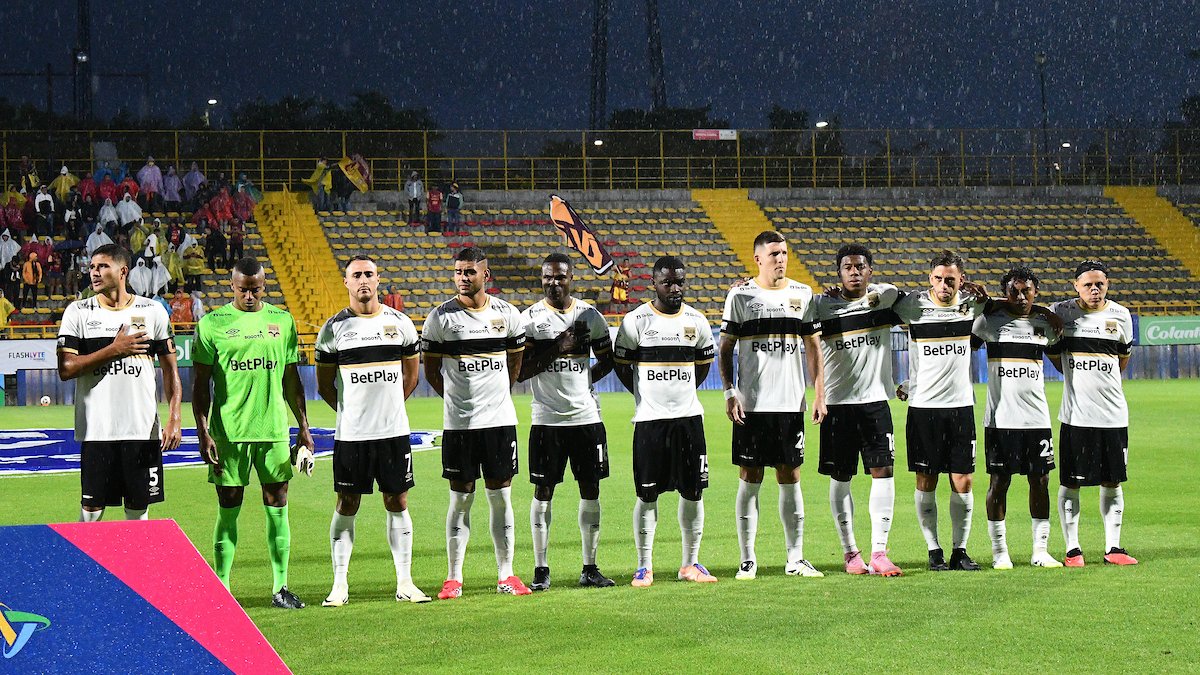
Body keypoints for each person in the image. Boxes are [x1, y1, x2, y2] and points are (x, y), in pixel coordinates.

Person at [192, 257, 315, 609]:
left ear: (264, 287)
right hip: (229, 434)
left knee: (278, 505)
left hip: (273, 430)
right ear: (232, 286)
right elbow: (200, 385)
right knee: (228, 506)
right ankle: (222, 589)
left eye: (256, 290)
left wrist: (303, 427)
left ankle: (281, 587)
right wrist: (203, 432)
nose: (249, 296)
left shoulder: (282, 321)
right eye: (243, 290)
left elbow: (292, 379)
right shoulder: (212, 324)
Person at [315, 256, 431, 606]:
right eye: (356, 275)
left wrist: (388, 409)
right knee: (347, 503)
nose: (363, 280)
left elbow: (411, 377)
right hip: (352, 436)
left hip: (393, 433)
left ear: (378, 280)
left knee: (397, 501)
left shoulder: (400, 323)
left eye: (368, 274)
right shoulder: (333, 329)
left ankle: (405, 582)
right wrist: (353, 413)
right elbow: (324, 386)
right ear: (346, 282)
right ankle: (339, 585)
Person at [421, 246, 531, 599]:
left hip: (499, 423)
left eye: (470, 271)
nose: (463, 277)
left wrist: (496, 397)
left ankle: (506, 574)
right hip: (459, 426)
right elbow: (431, 372)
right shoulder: (440, 318)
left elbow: (515, 364)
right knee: (460, 500)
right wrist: (457, 401)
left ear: (486, 275)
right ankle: (454, 578)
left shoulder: (508, 314)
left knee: (501, 498)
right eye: (458, 271)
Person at [719, 231, 826, 580]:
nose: (781, 259)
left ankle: (795, 558)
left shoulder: (802, 294)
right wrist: (729, 392)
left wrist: (819, 394)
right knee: (750, 477)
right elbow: (725, 348)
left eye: (784, 253)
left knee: (790, 476)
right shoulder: (740, 295)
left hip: (790, 404)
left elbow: (813, 348)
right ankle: (747, 559)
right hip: (751, 405)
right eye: (774, 254)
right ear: (758, 259)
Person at [56, 244, 182, 522]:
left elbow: (170, 370)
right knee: (91, 512)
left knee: (138, 512)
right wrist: (115, 349)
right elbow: (66, 368)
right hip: (97, 430)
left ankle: (137, 555)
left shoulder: (152, 311)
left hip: (141, 430)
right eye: (92, 267)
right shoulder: (78, 312)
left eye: (102, 266)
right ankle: (86, 555)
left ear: (123, 271)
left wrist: (175, 416)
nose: (94, 272)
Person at [614, 256, 717, 587]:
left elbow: (702, 366)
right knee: (647, 496)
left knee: (694, 492)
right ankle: (644, 566)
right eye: (667, 282)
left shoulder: (697, 321)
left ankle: (690, 563)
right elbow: (622, 367)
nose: (675, 288)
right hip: (650, 422)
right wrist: (646, 395)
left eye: (679, 282)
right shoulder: (636, 321)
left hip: (689, 420)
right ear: (653, 284)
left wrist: (681, 395)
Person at [518, 252, 618, 591]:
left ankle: (590, 567)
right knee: (543, 491)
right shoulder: (530, 320)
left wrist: (586, 381)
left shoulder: (590, 316)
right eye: (547, 277)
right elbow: (521, 372)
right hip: (546, 420)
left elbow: (608, 360)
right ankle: (541, 569)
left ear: (570, 277)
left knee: (591, 488)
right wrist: (557, 347)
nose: (553, 282)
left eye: (560, 276)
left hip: (586, 419)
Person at [808, 244, 905, 576]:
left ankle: (879, 552)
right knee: (841, 476)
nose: (854, 272)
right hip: (837, 405)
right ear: (838, 273)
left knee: (884, 471)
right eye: (847, 267)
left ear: (870, 271)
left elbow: (922, 314)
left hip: (875, 402)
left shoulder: (886, 297)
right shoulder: (820, 306)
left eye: (860, 266)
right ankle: (851, 553)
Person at [892, 250, 989, 571]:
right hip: (924, 408)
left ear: (962, 280)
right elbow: (870, 306)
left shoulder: (972, 305)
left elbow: (1009, 305)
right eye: (938, 279)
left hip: (961, 407)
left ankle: (960, 550)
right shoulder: (912, 306)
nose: (944, 285)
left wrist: (986, 295)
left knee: (963, 480)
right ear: (929, 279)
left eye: (950, 279)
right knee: (926, 479)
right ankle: (934, 550)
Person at [1046, 260, 1138, 567]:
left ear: (1107, 285)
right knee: (1071, 482)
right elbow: (1055, 357)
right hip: (1077, 417)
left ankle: (1114, 547)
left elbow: (1121, 361)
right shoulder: (1061, 312)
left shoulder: (1121, 315)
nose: (1095, 289)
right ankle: (1073, 550)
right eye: (1088, 284)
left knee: (1112, 481)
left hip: (1113, 415)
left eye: (1100, 284)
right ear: (1076, 286)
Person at [973, 266, 1065, 569]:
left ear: (1036, 292)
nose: (1022, 296)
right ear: (1005, 293)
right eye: (1014, 291)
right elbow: (961, 352)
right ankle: (1000, 553)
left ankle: (1040, 551)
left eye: (1027, 290)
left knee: (1041, 480)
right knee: (999, 482)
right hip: (1001, 420)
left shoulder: (1045, 325)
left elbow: (1062, 361)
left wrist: (1046, 313)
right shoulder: (989, 321)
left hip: (1037, 419)